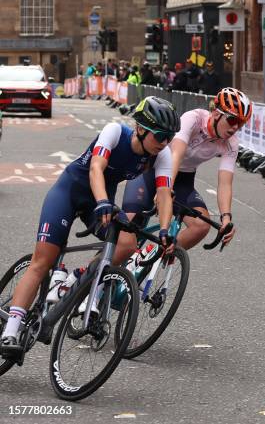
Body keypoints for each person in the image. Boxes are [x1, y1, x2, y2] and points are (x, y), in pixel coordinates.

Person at [0, 97, 180, 358]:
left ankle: (77, 279)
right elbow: (96, 167)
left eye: (169, 137)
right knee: (43, 261)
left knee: (127, 243)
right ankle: (11, 332)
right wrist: (104, 202)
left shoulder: (160, 154)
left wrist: (164, 231)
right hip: (70, 192)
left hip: (100, 200)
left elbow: (164, 192)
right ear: (140, 129)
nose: (164, 142)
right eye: (160, 135)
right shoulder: (115, 132)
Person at [121, 88, 252, 253]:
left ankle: (151, 256)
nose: (236, 127)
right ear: (217, 113)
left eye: (241, 123)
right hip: (154, 169)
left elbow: (225, 183)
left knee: (201, 225)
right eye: (233, 120)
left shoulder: (231, 143)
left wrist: (226, 217)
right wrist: (166, 190)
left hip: (184, 179)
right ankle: (92, 270)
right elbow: (176, 154)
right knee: (127, 229)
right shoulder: (194, 119)